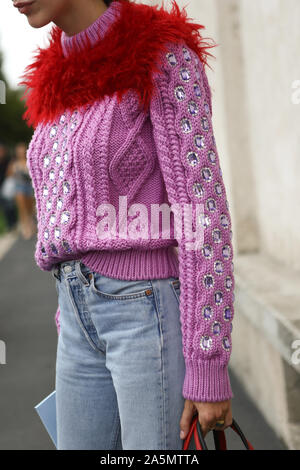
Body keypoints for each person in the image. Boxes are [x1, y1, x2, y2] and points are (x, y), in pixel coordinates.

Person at [17, 0, 235, 450]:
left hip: (144, 315)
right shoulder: (51, 78)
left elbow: (203, 213)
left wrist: (207, 363)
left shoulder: (162, 53)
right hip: (74, 318)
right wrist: (70, 309)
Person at [11, 142, 36, 239]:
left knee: (29, 209)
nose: (20, 153)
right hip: (19, 188)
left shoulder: (29, 162)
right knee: (22, 209)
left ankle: (30, 223)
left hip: (29, 187)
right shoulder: (14, 163)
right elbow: (9, 175)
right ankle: (25, 227)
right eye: (19, 151)